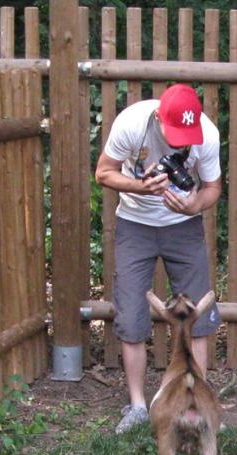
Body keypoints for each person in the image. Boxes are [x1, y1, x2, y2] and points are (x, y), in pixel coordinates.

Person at [95, 84, 223, 434]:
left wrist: (194, 205)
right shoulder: (132, 123)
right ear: (157, 118)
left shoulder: (207, 134)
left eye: (187, 134)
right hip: (134, 223)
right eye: (175, 133)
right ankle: (138, 405)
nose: (182, 142)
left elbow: (213, 187)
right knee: (131, 316)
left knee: (198, 315)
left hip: (184, 225)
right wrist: (140, 186)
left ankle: (196, 404)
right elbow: (103, 172)